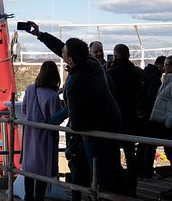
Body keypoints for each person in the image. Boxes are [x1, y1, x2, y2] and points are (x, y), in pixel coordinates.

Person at [26, 22, 123, 195]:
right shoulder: (90, 62)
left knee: (98, 173)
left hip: (94, 131)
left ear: (70, 60)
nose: (61, 54)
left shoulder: (74, 84)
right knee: (108, 170)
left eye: (64, 54)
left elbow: (77, 122)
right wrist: (40, 35)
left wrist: (57, 121)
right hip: (111, 123)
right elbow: (61, 48)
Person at [21, 61, 62, 201]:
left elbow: (24, 110)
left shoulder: (30, 89)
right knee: (42, 171)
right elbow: (56, 118)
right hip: (45, 138)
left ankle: (28, 197)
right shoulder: (53, 96)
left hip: (29, 135)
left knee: (29, 170)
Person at [106, 43, 144, 196]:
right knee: (130, 154)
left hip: (115, 118)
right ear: (129, 55)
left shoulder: (111, 73)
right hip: (131, 117)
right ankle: (132, 186)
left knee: (113, 155)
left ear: (115, 56)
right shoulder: (137, 73)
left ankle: (118, 185)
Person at [148, 55, 172, 200]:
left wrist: (168, 122)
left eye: (168, 65)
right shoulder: (171, 80)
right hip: (166, 125)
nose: (165, 67)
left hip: (168, 127)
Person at [138, 55, 164, 179]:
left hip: (142, 116)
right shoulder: (155, 79)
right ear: (160, 65)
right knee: (151, 145)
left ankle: (141, 171)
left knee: (143, 144)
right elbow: (152, 96)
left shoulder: (145, 74)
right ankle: (148, 171)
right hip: (151, 115)